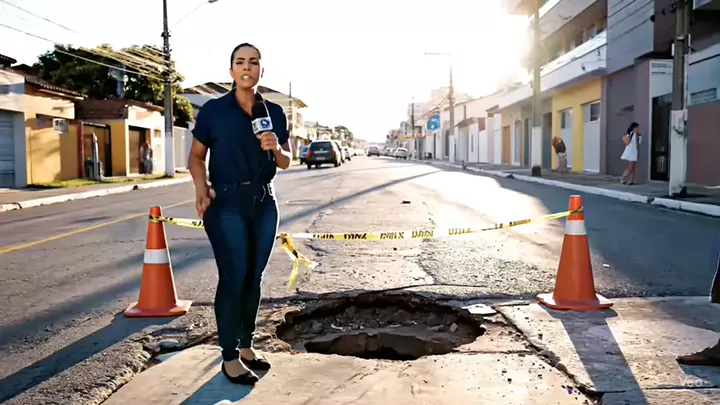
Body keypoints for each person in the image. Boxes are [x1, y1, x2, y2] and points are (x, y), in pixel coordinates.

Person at [187, 43, 292, 385]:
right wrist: (201, 186)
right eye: (240, 62)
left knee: (254, 278)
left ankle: (246, 346)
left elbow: (286, 160)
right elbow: (196, 157)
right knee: (234, 277)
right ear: (231, 70)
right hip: (227, 202)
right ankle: (229, 356)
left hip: (264, 201)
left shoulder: (274, 112)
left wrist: (275, 147)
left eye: (254, 62)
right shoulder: (214, 111)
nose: (247, 67)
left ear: (262, 70)